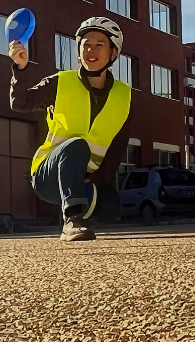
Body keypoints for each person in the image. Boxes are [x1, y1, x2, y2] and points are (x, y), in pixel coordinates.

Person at [9, 17, 132, 241]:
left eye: (99, 45)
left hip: (84, 178)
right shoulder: (60, 82)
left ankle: (79, 205)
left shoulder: (124, 97)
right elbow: (20, 103)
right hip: (48, 175)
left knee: (109, 208)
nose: (90, 50)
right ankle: (71, 221)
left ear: (113, 53)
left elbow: (117, 149)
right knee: (77, 145)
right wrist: (20, 68)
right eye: (85, 44)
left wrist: (95, 183)